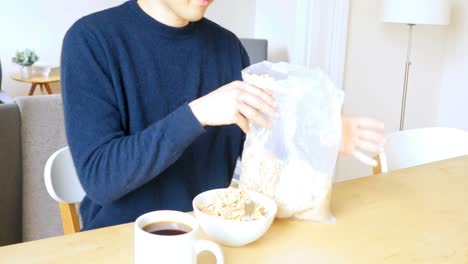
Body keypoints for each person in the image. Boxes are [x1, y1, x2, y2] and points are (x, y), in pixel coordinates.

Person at [61, 0, 386, 230]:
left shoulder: (228, 47)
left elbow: (262, 144)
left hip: (211, 234)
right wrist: (197, 114)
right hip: (121, 239)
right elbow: (100, 178)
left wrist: (318, 135)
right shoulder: (91, 42)